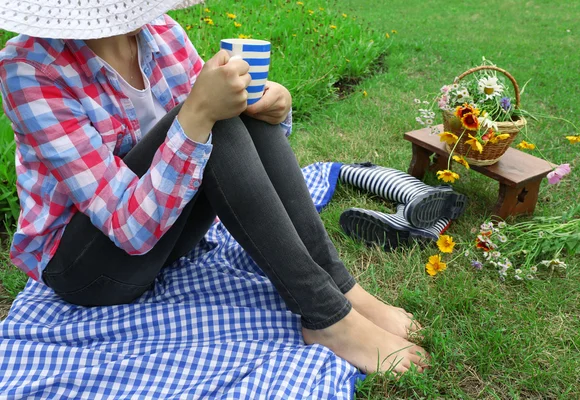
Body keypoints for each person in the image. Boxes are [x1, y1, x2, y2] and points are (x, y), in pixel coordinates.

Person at [0, 0, 430, 374]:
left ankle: (340, 286)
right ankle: (326, 317)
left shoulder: (162, 34)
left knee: (234, 110)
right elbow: (127, 228)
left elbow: (225, 139)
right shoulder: (29, 67)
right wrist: (198, 115)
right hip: (89, 268)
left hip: (163, 243)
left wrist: (269, 109)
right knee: (204, 118)